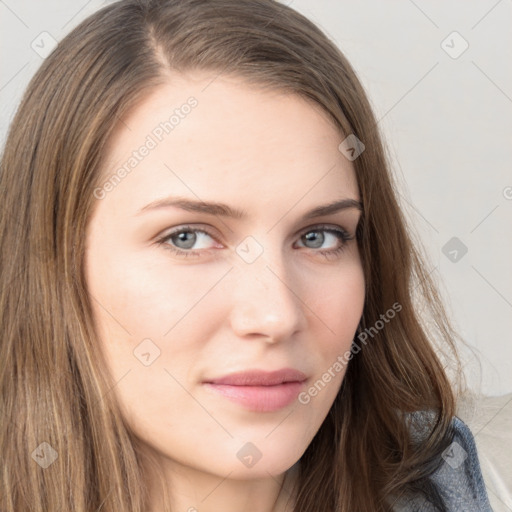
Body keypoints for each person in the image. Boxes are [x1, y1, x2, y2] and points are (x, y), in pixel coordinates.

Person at [0, 0, 494, 511]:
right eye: (187, 237)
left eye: (319, 236)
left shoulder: (444, 485)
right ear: (55, 263)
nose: (276, 316)